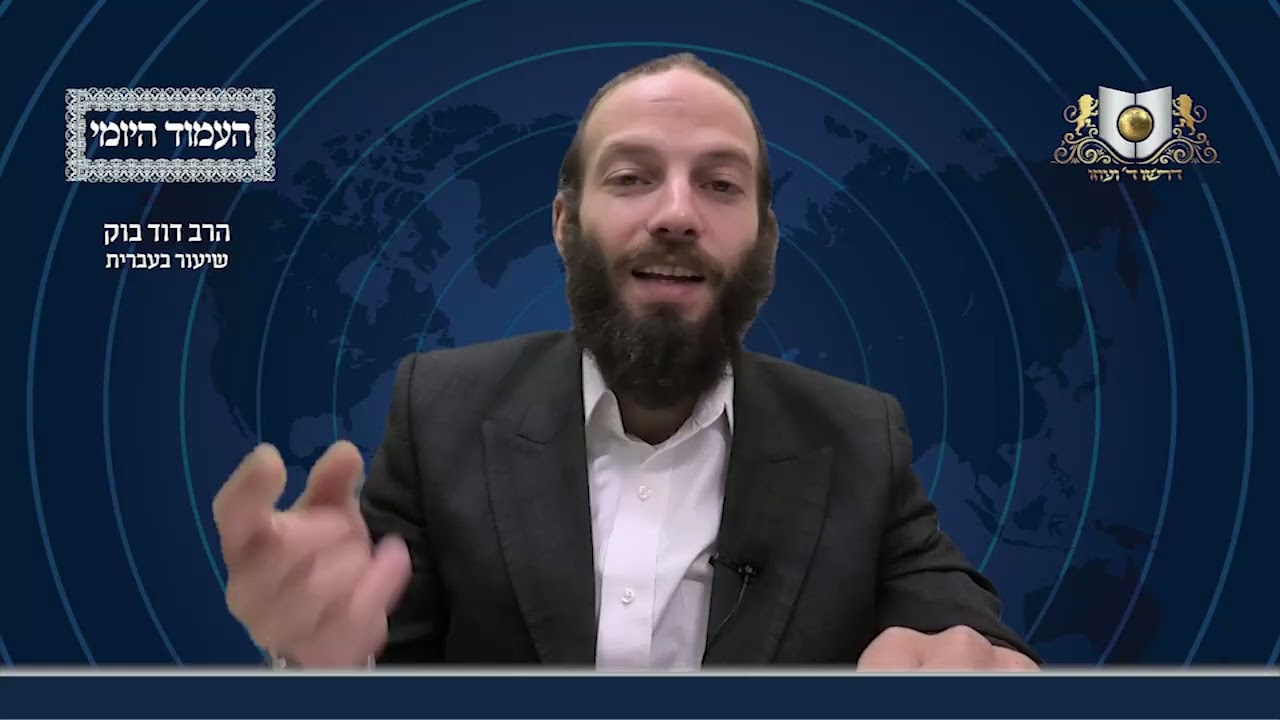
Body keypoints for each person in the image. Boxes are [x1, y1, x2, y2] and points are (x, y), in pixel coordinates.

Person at [212, 52, 1041, 672]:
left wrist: (971, 657)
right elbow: (380, 651)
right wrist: (322, 652)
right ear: (563, 223)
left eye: (720, 185)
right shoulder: (438, 409)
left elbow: (954, 616)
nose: (677, 214)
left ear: (765, 239)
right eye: (633, 176)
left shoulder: (862, 436)